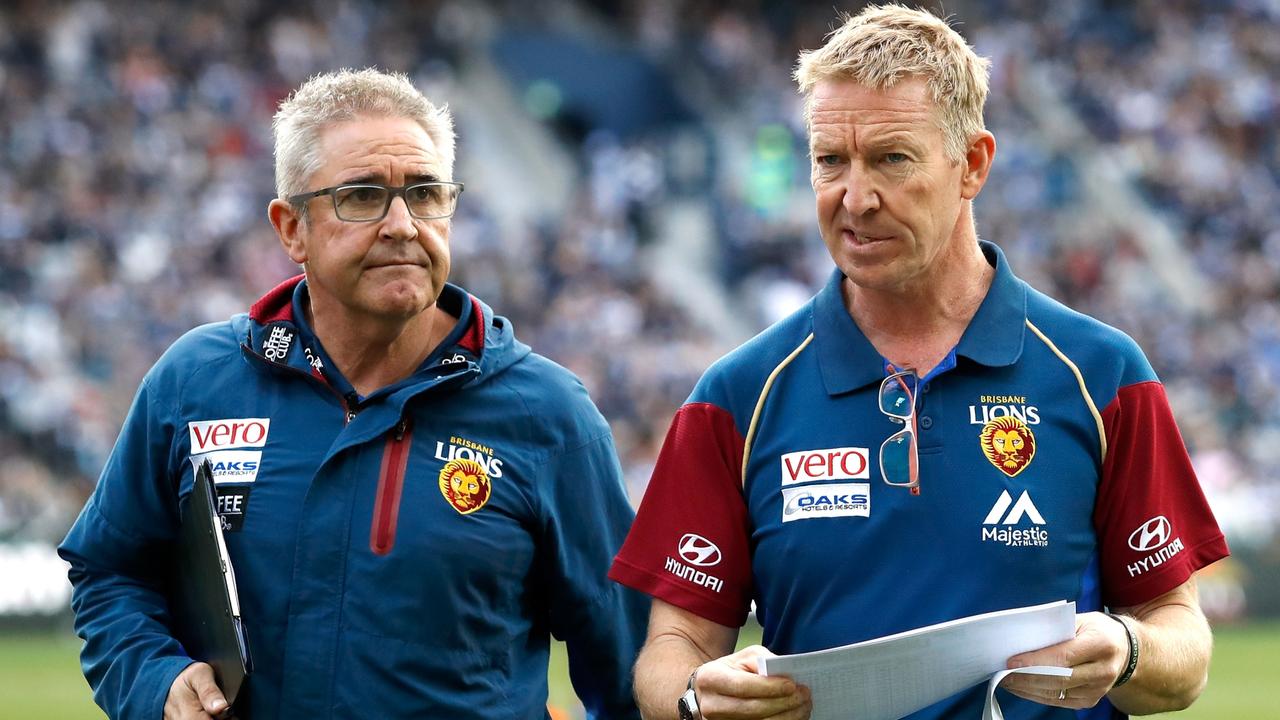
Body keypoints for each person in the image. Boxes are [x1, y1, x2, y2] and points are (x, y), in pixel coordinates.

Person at [608, 6, 1229, 720]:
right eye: (829, 161)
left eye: (891, 159)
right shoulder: (736, 396)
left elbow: (1183, 647)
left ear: (972, 165)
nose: (856, 197)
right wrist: (694, 695)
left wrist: (1128, 648)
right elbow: (672, 647)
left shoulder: (1103, 375)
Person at [59, 68, 646, 719]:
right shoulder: (195, 384)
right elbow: (110, 571)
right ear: (291, 229)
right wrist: (152, 680)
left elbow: (633, 673)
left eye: (425, 194)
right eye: (363, 197)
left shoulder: (550, 417)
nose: (402, 224)